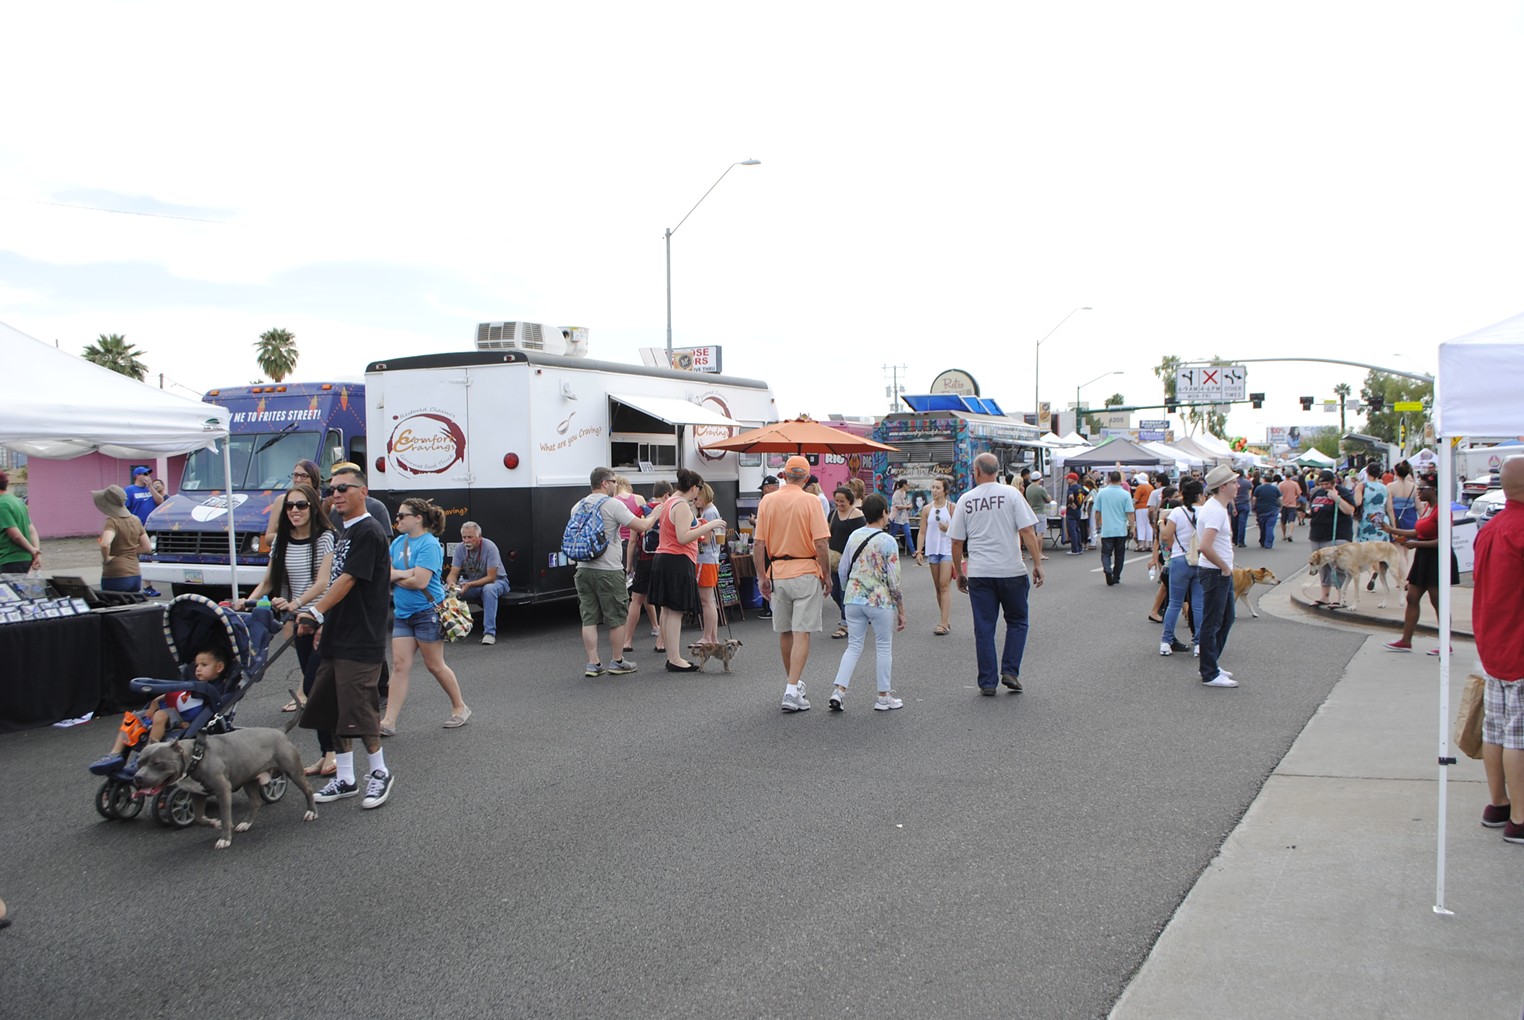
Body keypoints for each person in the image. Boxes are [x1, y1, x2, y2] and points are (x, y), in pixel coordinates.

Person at [298, 465, 396, 810]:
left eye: (344, 488)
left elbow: (347, 581)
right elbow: (334, 581)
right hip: (337, 635)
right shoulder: (345, 532)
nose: (336, 494)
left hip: (361, 637)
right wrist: (322, 622)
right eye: (332, 489)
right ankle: (345, 777)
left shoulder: (368, 531)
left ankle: (380, 773)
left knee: (359, 708)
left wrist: (316, 613)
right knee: (330, 707)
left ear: (363, 492)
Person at [238, 481, 336, 773]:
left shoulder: (325, 537)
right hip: (300, 621)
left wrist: (297, 605)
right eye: (290, 506)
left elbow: (322, 581)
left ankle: (334, 754)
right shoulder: (281, 540)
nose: (294, 511)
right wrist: (248, 600)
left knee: (316, 686)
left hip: (322, 616)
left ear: (312, 507)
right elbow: (269, 580)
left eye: (301, 505)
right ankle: (326, 752)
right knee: (312, 684)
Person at [949, 452, 1044, 696]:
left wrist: (959, 571)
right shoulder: (1012, 494)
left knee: (984, 627)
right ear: (998, 471)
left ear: (977, 472)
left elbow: (957, 542)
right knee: (1017, 621)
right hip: (1011, 570)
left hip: (980, 573)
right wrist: (1037, 563)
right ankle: (1010, 671)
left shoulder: (966, 500)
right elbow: (1027, 531)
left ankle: (988, 681)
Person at [382, 498, 471, 734]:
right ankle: (389, 721)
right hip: (402, 613)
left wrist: (397, 576)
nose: (397, 520)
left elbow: (420, 581)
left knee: (434, 665)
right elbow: (385, 572)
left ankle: (459, 707)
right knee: (400, 665)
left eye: (402, 516)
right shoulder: (398, 542)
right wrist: (406, 573)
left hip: (427, 612)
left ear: (417, 518)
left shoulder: (429, 544)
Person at [753, 455, 831, 713]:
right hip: (806, 569)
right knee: (802, 632)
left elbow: (759, 544)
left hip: (777, 571)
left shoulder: (767, 500)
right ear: (807, 479)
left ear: (783, 476)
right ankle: (791, 688)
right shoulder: (811, 501)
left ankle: (793, 686)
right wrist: (827, 575)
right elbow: (821, 543)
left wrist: (761, 576)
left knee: (785, 631)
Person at [1473, 457, 1524, 842]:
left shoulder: (1490, 529)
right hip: (1519, 641)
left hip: (1493, 641)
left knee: (1495, 730)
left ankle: (1498, 802)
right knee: (1517, 736)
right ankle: (1520, 819)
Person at [88, 645, 227, 775]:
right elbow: (176, 691)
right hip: (174, 710)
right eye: (196, 665)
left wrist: (191, 724)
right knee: (132, 718)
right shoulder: (192, 680)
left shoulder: (215, 689)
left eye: (204, 665)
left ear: (219, 667)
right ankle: (115, 754)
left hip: (184, 719)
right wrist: (156, 701)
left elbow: (208, 712)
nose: (198, 669)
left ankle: (146, 754)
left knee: (160, 715)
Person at [828, 493, 906, 711]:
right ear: (883, 513)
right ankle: (883, 697)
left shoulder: (854, 536)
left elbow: (843, 569)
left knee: (853, 646)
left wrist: (846, 592)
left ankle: (839, 691)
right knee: (883, 647)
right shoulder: (888, 541)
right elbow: (893, 579)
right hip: (879, 600)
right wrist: (901, 609)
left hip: (853, 598)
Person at [575, 469, 655, 676]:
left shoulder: (578, 505)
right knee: (617, 617)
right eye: (612, 481)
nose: (615, 485)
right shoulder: (612, 505)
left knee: (589, 618)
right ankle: (617, 660)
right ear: (604, 483)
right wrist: (657, 513)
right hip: (608, 569)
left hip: (583, 569)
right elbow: (642, 525)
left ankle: (593, 663)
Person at [639, 469, 713, 672]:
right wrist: (708, 526)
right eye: (699, 487)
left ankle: (672, 656)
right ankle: (675, 658)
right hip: (677, 560)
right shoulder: (681, 505)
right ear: (693, 488)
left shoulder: (669, 501)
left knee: (668, 610)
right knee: (675, 611)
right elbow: (683, 537)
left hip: (664, 558)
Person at [1380, 479, 1457, 654]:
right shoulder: (1428, 508)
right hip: (1424, 556)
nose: (1418, 492)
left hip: (1436, 557)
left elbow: (1445, 540)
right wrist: (1392, 530)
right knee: (1412, 598)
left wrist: (1417, 544)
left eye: (1422, 488)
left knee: (1438, 601)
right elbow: (1418, 532)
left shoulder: (1442, 510)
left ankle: (1446, 645)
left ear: (1435, 490)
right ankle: (1405, 641)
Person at [1193, 465, 1239, 688]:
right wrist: (1224, 566)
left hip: (1218, 571)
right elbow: (1205, 546)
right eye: (1233, 483)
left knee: (1226, 618)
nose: (1237, 486)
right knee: (1212, 622)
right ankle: (1209, 672)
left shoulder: (1217, 508)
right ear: (1223, 486)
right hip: (1215, 572)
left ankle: (1212, 663)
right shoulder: (1215, 510)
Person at [623, 480, 672, 649]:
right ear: (666, 494)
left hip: (644, 560)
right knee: (665, 604)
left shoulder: (642, 510)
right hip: (664, 559)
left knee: (636, 600)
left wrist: (629, 565)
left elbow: (632, 541)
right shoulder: (670, 508)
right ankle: (661, 642)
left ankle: (627, 641)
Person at [445, 521, 510, 646]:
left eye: (470, 537)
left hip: (498, 581)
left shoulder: (490, 547)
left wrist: (469, 585)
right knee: (445, 590)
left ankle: (489, 633)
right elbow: (453, 573)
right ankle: (451, 630)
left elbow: (491, 578)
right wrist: (451, 583)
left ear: (479, 537)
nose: (467, 541)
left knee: (489, 589)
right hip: (473, 584)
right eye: (464, 537)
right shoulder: (459, 548)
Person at [1159, 478, 1204, 656]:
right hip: (1201, 560)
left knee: (1174, 604)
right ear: (1200, 495)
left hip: (1179, 559)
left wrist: (1161, 522)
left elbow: (1166, 536)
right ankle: (1199, 643)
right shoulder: (1206, 512)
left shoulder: (1177, 512)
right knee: (1198, 605)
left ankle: (1166, 641)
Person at [1307, 469, 1357, 606]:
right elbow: (1313, 510)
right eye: (1322, 484)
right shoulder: (1317, 493)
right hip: (1317, 534)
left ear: (1333, 482)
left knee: (1338, 566)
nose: (1324, 487)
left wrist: (1336, 498)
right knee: (1321, 566)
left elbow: (1350, 510)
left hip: (1337, 535)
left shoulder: (1342, 492)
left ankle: (1341, 597)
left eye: (1327, 484)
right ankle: (1325, 596)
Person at [914, 476, 957, 635]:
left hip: (947, 550)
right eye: (932, 487)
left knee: (944, 585)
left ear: (945, 491)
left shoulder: (952, 507)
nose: (934, 490)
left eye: (938, 488)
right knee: (938, 587)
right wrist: (919, 551)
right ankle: (945, 618)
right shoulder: (927, 509)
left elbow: (960, 531)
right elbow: (922, 531)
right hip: (933, 551)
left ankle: (943, 624)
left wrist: (948, 528)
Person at [93, 485, 149, 593]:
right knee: (133, 607)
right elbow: (147, 548)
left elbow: (105, 544)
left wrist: (107, 559)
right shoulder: (135, 520)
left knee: (114, 607)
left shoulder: (113, 521)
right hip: (135, 574)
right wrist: (129, 550)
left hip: (116, 575)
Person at [826, 485, 865, 639]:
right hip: (834, 560)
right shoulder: (833, 514)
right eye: (836, 501)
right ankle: (854, 615)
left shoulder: (857, 515)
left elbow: (863, 537)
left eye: (842, 501)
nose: (839, 504)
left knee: (844, 593)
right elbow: (828, 533)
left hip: (850, 560)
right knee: (835, 592)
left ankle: (845, 624)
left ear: (850, 500)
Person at [263, 461, 325, 548]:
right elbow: (268, 538)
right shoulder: (281, 500)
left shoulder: (323, 504)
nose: (298, 480)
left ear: (314, 480)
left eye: (304, 476)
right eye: (295, 475)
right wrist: (292, 537)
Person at [694, 483, 725, 646]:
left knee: (706, 600)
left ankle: (708, 636)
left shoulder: (709, 513)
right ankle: (712, 637)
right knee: (709, 600)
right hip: (711, 559)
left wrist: (693, 534)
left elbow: (705, 540)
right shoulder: (711, 511)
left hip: (706, 559)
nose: (694, 501)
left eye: (696, 498)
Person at [1354, 462, 1390, 592]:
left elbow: (1357, 502)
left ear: (1367, 472)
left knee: (1366, 550)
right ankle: (1378, 572)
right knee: (1378, 549)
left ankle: (1372, 571)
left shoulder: (1362, 486)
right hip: (1381, 518)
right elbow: (1389, 507)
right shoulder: (1385, 487)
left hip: (1367, 519)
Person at [1093, 471, 1133, 585]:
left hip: (1107, 529)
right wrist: (1133, 527)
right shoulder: (1125, 494)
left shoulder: (1102, 493)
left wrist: (1097, 524)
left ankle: (1107, 568)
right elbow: (1130, 513)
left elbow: (1097, 511)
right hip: (1121, 529)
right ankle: (1116, 576)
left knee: (1106, 553)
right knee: (1119, 555)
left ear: (1109, 479)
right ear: (1120, 480)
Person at [0, 470, 40, 575]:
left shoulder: (2, 504)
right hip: (24, 559)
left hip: (9, 559)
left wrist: (33, 551)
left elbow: (15, 535)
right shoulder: (17, 501)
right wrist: (36, 553)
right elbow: (31, 530)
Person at [1253, 473, 1282, 549]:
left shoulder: (1259, 488)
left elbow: (1254, 499)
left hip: (1261, 510)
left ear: (1264, 480)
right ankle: (1268, 543)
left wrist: (1254, 507)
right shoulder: (1275, 488)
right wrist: (1280, 506)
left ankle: (1262, 541)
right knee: (1270, 527)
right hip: (1273, 510)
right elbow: (1280, 498)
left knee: (1262, 527)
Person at [1063, 471, 1085, 555]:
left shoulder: (1071, 488)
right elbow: (1086, 494)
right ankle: (1079, 548)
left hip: (1071, 511)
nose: (1067, 480)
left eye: (1068, 478)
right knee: (1077, 529)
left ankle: (1074, 549)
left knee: (1072, 530)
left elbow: (1071, 497)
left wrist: (1071, 503)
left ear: (1072, 479)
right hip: (1078, 510)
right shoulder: (1080, 487)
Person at [1131, 473, 1154, 552]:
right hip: (1149, 507)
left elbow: (1136, 499)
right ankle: (1150, 544)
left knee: (1141, 525)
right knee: (1149, 526)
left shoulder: (1140, 487)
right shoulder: (1151, 487)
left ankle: (1141, 544)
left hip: (1140, 508)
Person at [1278, 471, 1303, 543]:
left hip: (1283, 504)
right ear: (1291, 476)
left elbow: (1279, 494)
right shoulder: (1295, 484)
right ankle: (1290, 533)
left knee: (1283, 520)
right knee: (1292, 520)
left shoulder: (1281, 484)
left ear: (1285, 476)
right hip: (1292, 504)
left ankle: (1283, 535)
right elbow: (1298, 494)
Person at [889, 479, 914, 552]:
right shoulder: (896, 494)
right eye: (907, 485)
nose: (908, 486)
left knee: (908, 534)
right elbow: (898, 506)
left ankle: (913, 551)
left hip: (904, 518)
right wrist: (907, 507)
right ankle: (889, 550)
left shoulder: (904, 493)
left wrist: (908, 506)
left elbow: (904, 504)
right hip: (896, 518)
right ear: (904, 485)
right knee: (893, 534)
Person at [1231, 470, 1252, 548]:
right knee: (1242, 523)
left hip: (1235, 503)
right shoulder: (1247, 482)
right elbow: (1250, 492)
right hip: (1244, 503)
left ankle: (1234, 540)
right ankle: (1241, 541)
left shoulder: (1233, 482)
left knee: (1234, 523)